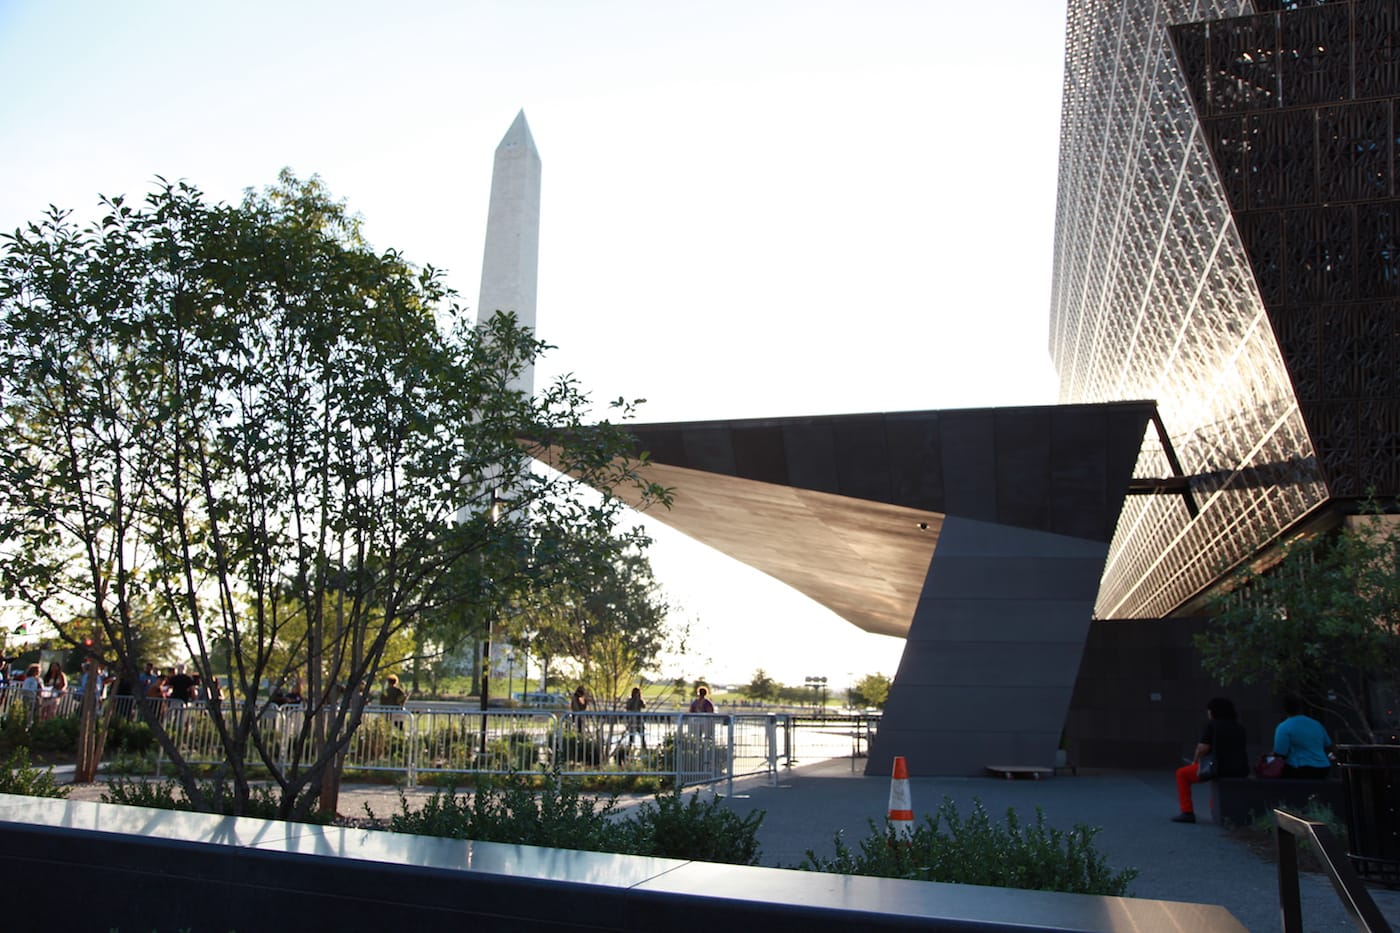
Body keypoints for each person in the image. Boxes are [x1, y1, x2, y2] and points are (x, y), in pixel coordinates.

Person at [1172, 696, 1248, 823]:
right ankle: (1215, 810)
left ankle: (1187, 812)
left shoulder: (1212, 725)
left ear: (1213, 711)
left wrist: (1195, 761)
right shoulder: (1239, 728)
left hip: (1218, 767)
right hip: (1240, 768)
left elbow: (1203, 748)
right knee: (1216, 781)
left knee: (1182, 774)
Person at [1273, 695, 1333, 778]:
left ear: (1284, 709)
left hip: (1299, 768)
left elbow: (1280, 753)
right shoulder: (1316, 724)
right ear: (1301, 708)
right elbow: (1328, 745)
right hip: (1323, 767)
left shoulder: (1284, 727)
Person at [624, 686, 647, 751]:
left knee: (642, 736)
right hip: (632, 720)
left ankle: (644, 749)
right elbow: (627, 707)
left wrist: (639, 700)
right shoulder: (630, 700)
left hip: (639, 720)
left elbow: (644, 706)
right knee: (631, 737)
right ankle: (629, 749)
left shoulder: (640, 700)